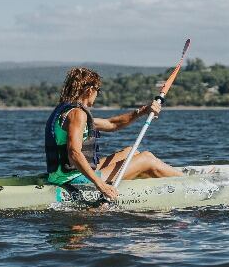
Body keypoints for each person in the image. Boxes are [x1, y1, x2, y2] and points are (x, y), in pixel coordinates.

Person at [44, 67, 183, 201]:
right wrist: (101, 185)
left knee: (130, 152)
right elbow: (74, 153)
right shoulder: (77, 114)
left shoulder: (65, 111)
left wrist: (142, 111)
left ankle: (163, 176)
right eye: (98, 90)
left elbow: (112, 124)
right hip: (72, 179)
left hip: (65, 174)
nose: (97, 94)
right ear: (89, 90)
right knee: (147, 158)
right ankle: (187, 181)